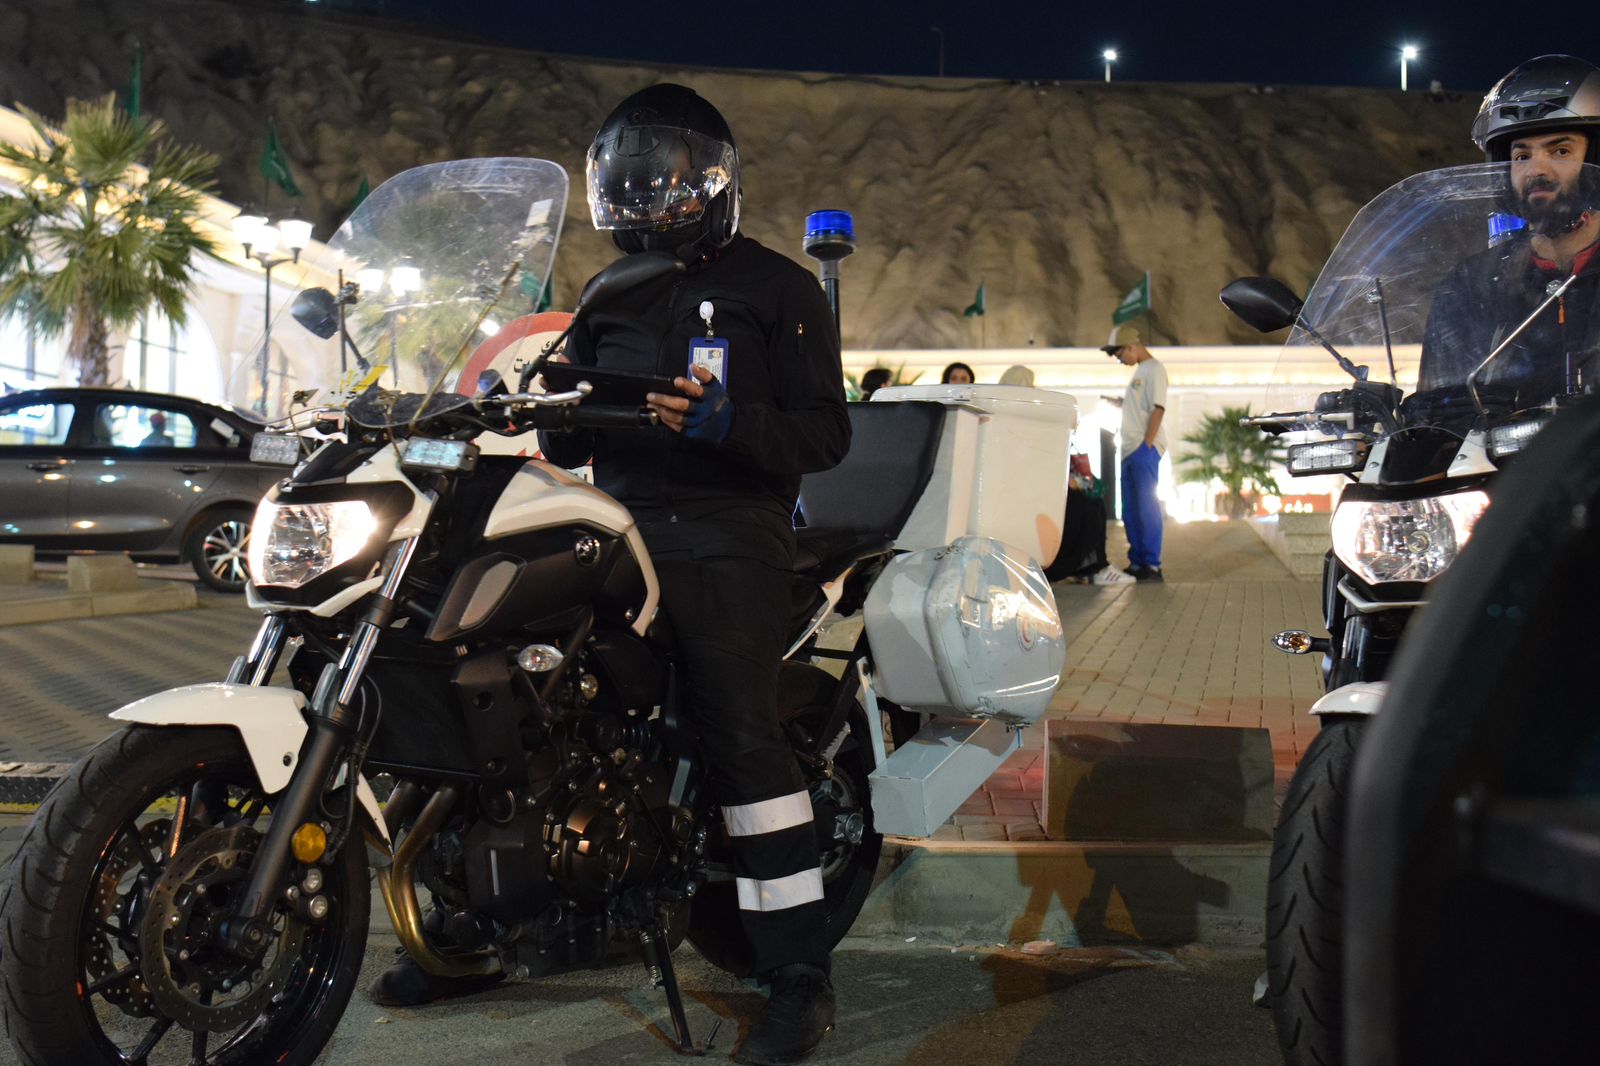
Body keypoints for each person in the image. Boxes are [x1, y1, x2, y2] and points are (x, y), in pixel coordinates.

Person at [368, 83, 851, 1065]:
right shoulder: (607, 291)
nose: (646, 203)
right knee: (505, 687)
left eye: (664, 185)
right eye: (629, 187)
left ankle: (799, 968)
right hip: (618, 521)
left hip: (728, 526)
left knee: (735, 724)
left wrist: (728, 424)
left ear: (712, 185)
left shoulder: (779, 289)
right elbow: (572, 429)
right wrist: (535, 402)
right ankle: (482, 919)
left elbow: (825, 435)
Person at [1418, 55, 1600, 405]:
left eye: (1560, 150)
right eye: (1521, 156)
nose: (1536, 170)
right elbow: (1443, 409)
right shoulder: (1471, 287)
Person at [1101, 324, 1167, 581]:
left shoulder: (1154, 369)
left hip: (1142, 449)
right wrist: (1121, 403)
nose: (1120, 361)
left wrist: (1146, 446)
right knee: (1131, 509)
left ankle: (1151, 563)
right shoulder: (1141, 371)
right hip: (1130, 450)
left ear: (1131, 346)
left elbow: (1158, 409)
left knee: (1146, 508)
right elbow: (1142, 407)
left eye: (1120, 355)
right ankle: (1138, 561)